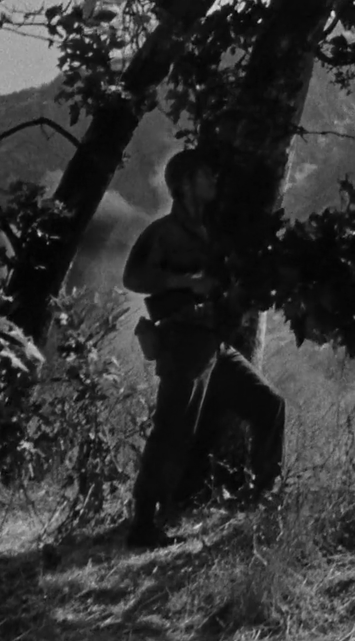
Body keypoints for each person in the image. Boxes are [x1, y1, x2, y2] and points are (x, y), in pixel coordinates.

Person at [122, 148, 286, 549]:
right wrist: (186, 283)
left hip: (213, 344)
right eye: (204, 175)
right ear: (184, 184)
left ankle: (262, 500)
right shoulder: (163, 233)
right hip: (182, 343)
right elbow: (134, 277)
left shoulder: (213, 232)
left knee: (269, 405)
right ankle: (143, 525)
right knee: (172, 430)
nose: (213, 179)